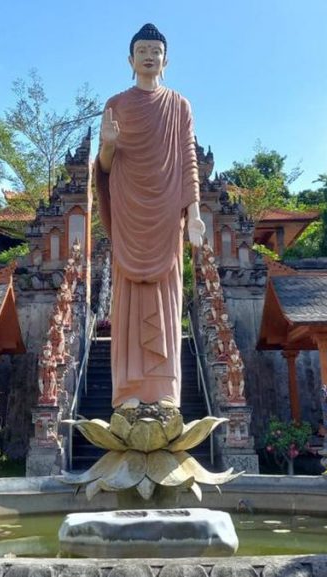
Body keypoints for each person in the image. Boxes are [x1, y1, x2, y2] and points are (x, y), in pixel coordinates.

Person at [95, 23, 205, 410]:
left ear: (165, 59)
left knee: (166, 295)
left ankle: (164, 391)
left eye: (155, 50)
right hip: (128, 211)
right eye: (141, 49)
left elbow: (189, 161)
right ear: (130, 59)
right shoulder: (116, 104)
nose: (148, 55)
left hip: (166, 215)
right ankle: (127, 390)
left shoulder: (179, 105)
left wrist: (194, 214)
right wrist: (107, 146)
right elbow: (105, 167)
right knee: (127, 298)